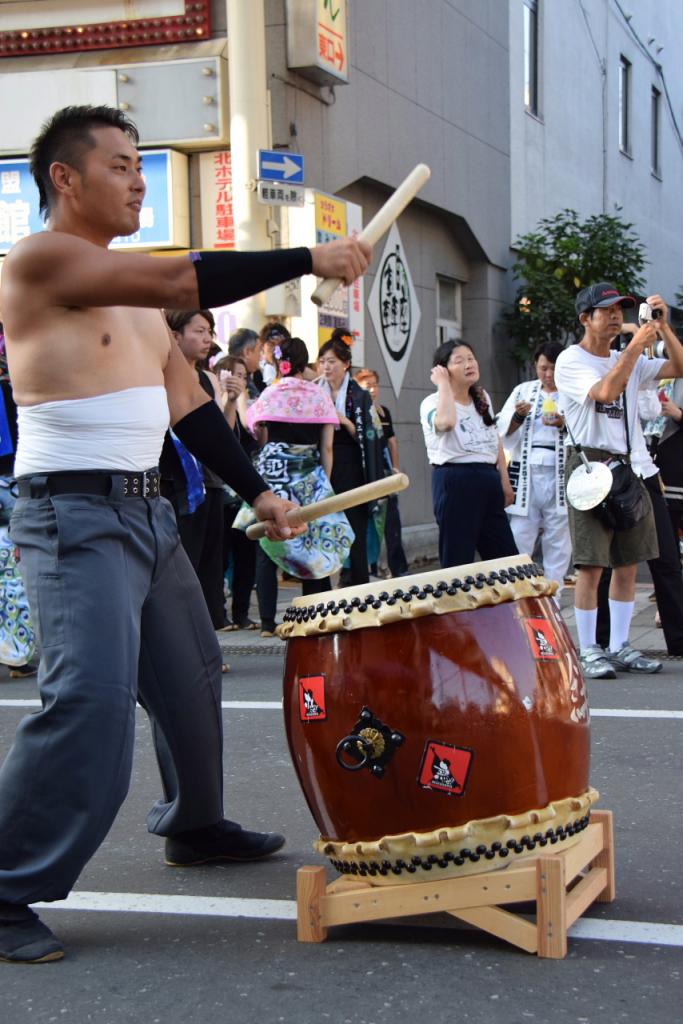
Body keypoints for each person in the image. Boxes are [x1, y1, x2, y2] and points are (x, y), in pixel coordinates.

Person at [0, 103, 370, 963]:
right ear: (66, 177)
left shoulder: (130, 292)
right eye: (121, 165)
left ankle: (195, 825)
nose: (138, 180)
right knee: (88, 702)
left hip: (147, 511)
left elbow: (190, 406)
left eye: (139, 164)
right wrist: (311, 258)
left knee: (192, 676)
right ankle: (7, 883)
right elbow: (185, 282)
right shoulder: (42, 259)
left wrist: (256, 494)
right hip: (71, 513)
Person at [555, 282, 683, 679]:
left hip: (629, 467)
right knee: (592, 564)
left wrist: (664, 329)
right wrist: (635, 345)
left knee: (629, 562)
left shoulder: (627, 357)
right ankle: (590, 649)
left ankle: (620, 645)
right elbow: (607, 390)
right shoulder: (570, 360)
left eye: (620, 310)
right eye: (606, 310)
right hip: (589, 465)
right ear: (585, 319)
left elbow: (678, 367)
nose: (615, 316)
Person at [236, 336, 353, 636]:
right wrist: (323, 480)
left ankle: (266, 622)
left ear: (278, 361)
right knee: (313, 540)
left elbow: (257, 435)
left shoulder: (270, 394)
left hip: (273, 473)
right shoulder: (318, 395)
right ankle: (317, 614)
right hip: (307, 474)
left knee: (268, 540)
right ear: (307, 362)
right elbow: (327, 447)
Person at [420, 340, 517, 568]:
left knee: (506, 559)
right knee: (458, 559)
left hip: (488, 478)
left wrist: (505, 481)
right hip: (455, 480)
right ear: (443, 369)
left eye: (471, 358)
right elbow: (445, 423)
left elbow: (495, 441)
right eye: (459, 360)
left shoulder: (482, 399)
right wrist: (443, 385)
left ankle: (508, 606)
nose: (468, 364)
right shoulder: (431, 402)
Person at [160, 309, 228, 634]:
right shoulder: (159, 377)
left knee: (211, 565)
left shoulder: (208, 379)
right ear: (176, 336)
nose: (207, 339)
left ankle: (210, 641)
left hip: (210, 483)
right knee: (182, 565)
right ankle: (183, 641)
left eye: (210, 332)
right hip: (175, 485)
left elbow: (222, 436)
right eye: (199, 331)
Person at [497, 341, 571, 597]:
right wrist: (518, 417)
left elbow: (585, 430)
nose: (548, 375)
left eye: (553, 368)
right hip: (527, 471)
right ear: (535, 367)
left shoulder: (572, 391)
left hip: (560, 474)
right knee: (520, 537)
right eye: (543, 368)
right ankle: (519, 598)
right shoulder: (523, 391)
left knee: (559, 543)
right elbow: (500, 430)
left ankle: (555, 598)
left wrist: (563, 425)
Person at [317, 337, 383, 586]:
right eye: (322, 361)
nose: (326, 366)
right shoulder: (314, 390)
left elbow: (371, 436)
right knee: (322, 529)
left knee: (356, 532)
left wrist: (344, 421)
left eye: (332, 361)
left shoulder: (360, 395)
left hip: (353, 466)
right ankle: (323, 592)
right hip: (322, 466)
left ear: (345, 364)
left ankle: (359, 589)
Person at [212, 354, 259, 633]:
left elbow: (257, 439)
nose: (240, 380)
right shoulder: (215, 402)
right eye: (234, 374)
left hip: (245, 492)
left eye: (243, 375)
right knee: (220, 555)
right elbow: (222, 435)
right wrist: (230, 399)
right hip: (221, 491)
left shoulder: (251, 405)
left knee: (246, 553)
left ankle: (242, 612)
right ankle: (220, 613)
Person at [354, 367, 409, 577]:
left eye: (374, 385)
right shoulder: (359, 411)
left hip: (384, 472)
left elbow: (392, 442)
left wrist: (395, 469)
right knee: (370, 524)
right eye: (367, 385)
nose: (372, 389)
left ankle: (399, 568)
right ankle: (371, 568)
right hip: (366, 475)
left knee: (392, 522)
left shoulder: (384, 411)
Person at [258, 321, 290, 387]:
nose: (276, 349)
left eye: (280, 345)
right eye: (271, 344)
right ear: (262, 346)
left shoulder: (292, 366)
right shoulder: (256, 371)